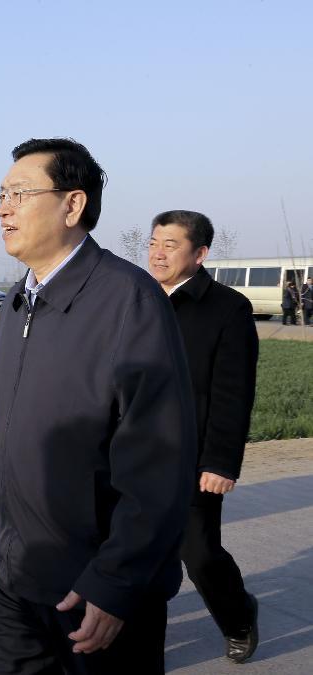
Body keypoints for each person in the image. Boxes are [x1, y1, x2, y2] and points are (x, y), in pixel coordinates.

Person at [0, 138, 195, 674]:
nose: (4, 207)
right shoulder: (17, 301)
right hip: (18, 572)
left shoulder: (130, 302)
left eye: (19, 193)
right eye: (0, 194)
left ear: (72, 204)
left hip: (95, 589)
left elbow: (160, 461)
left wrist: (116, 581)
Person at [147, 210, 260, 663]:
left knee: (198, 554)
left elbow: (233, 393)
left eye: (170, 244)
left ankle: (237, 617)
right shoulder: (134, 297)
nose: (157, 252)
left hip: (191, 457)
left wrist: (220, 462)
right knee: (131, 551)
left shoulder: (227, 308)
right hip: (131, 451)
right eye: (154, 242)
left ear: (200, 254)